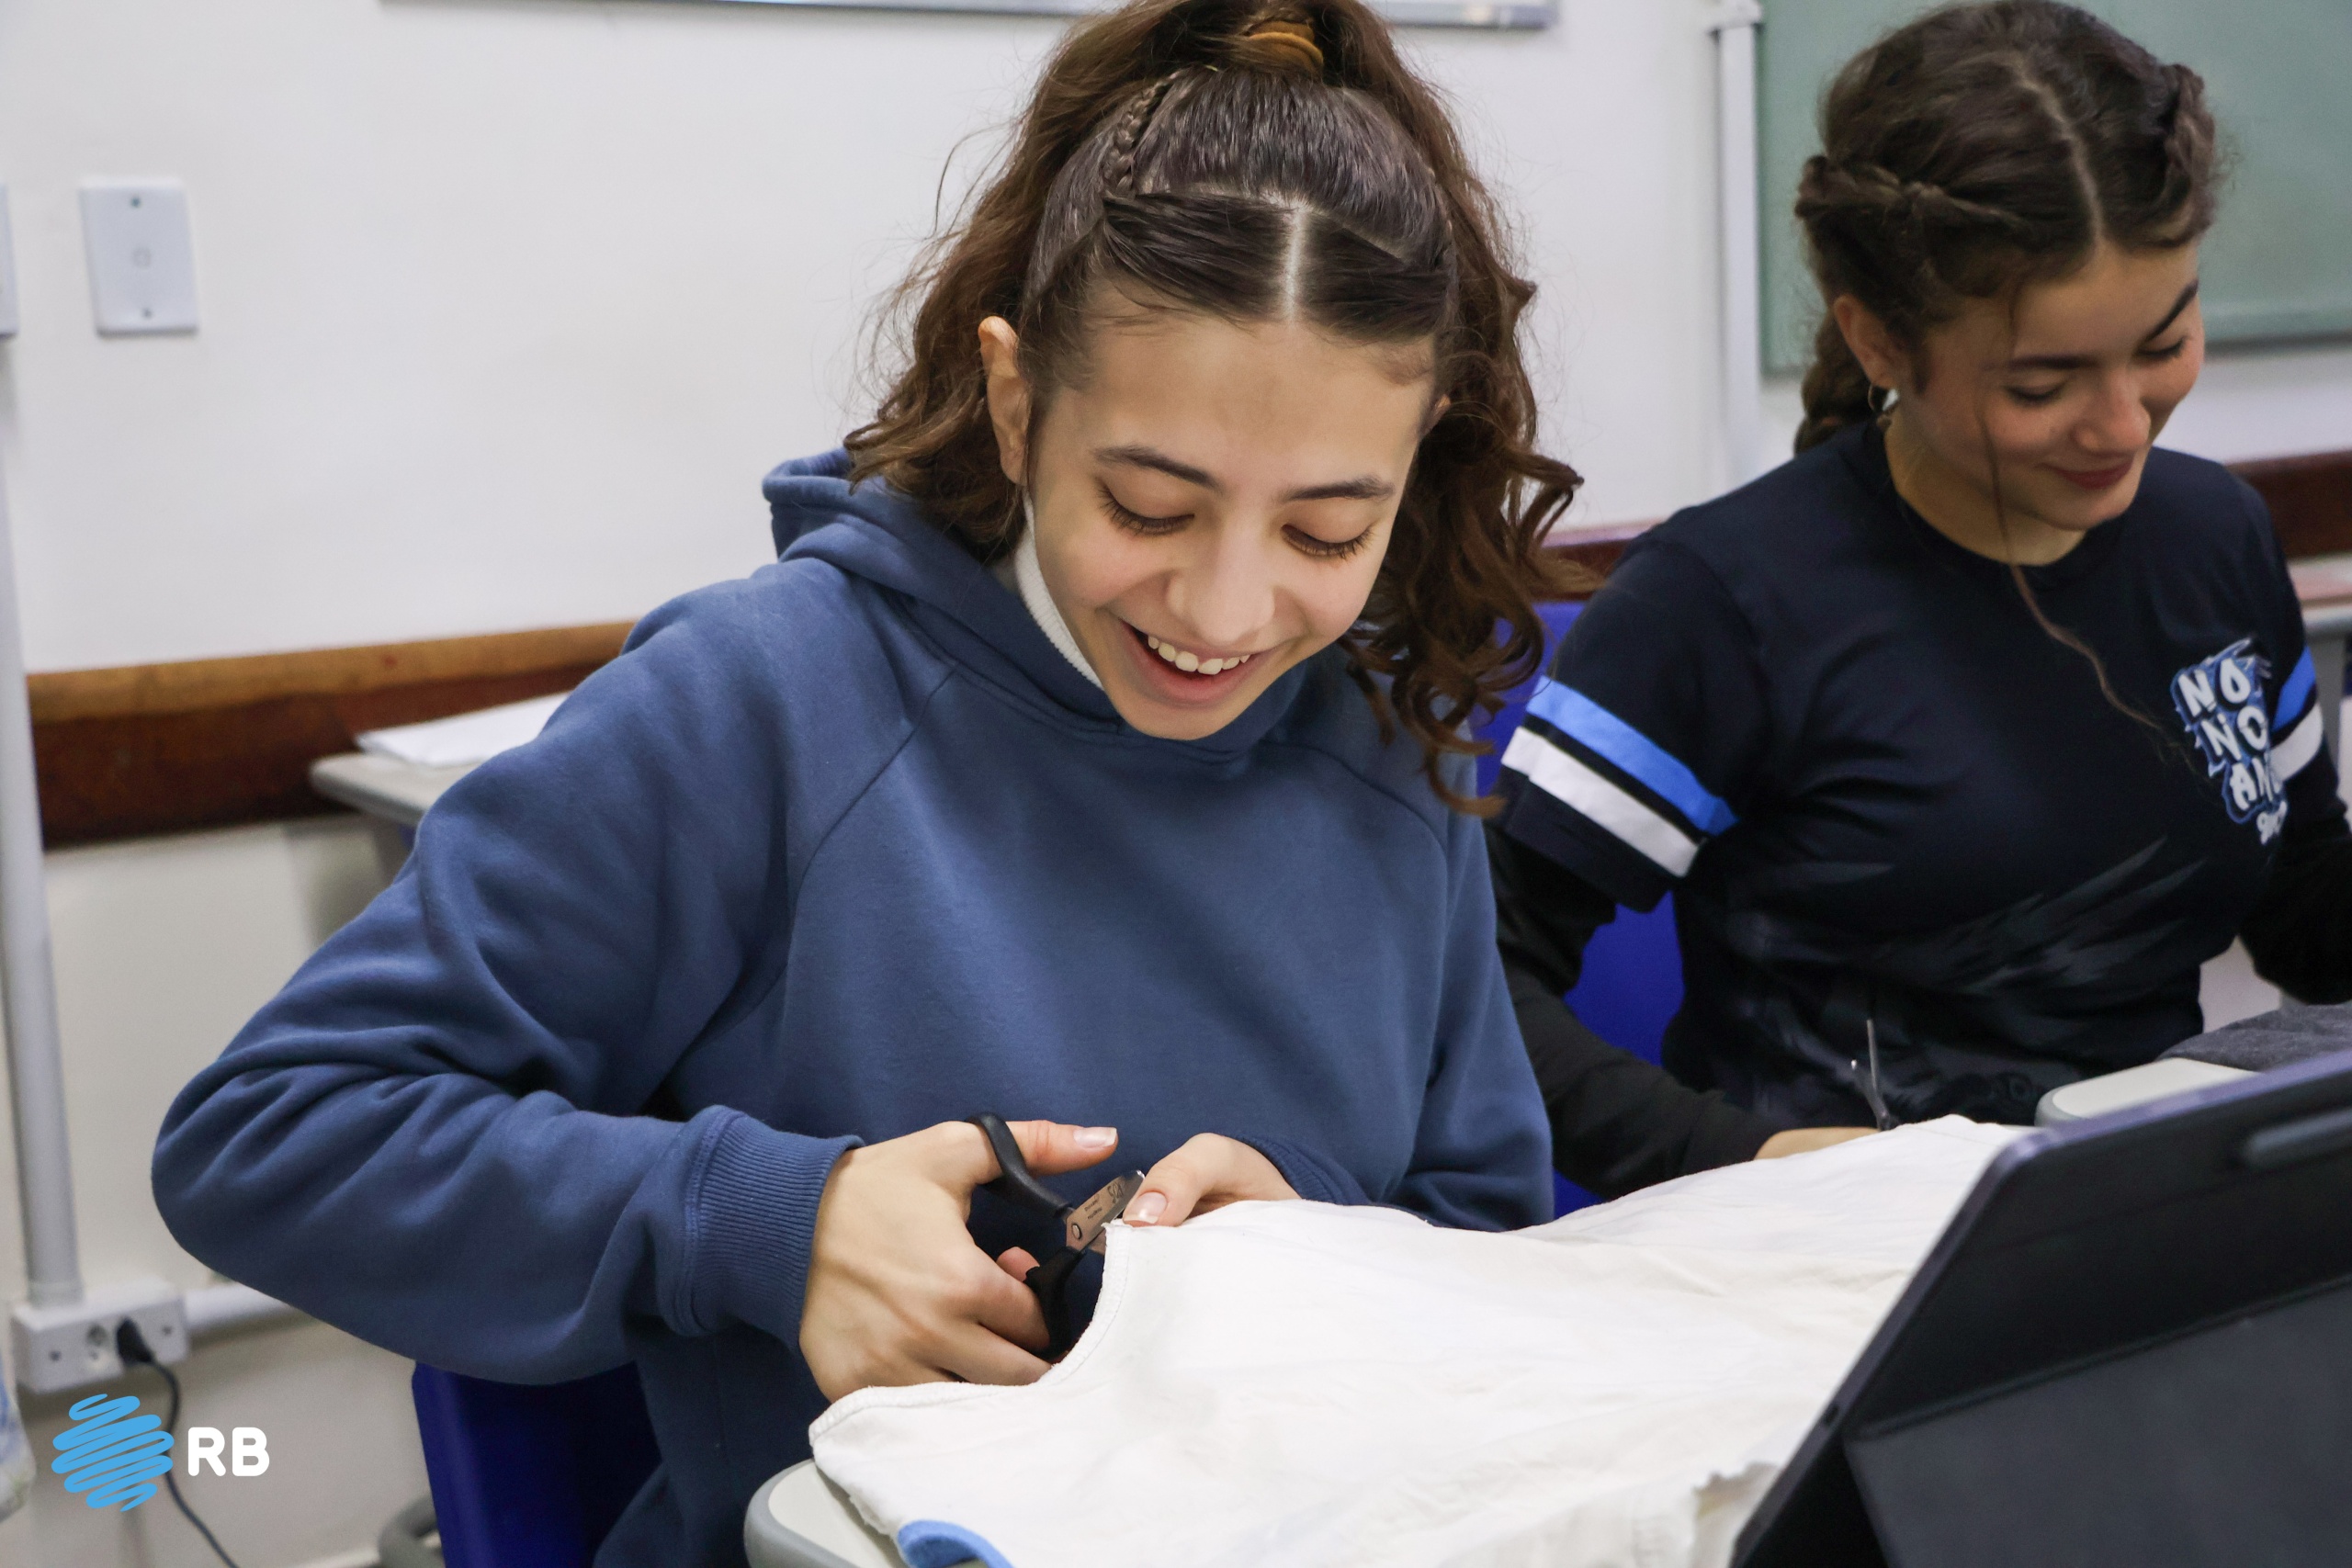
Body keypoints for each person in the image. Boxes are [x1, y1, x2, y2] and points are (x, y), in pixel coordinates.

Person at [152, 2, 1579, 1562]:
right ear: (1017, 404)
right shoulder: (768, 704)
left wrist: (1325, 1258)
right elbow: (273, 1137)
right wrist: (767, 1222)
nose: (1228, 611)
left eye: (1325, 532)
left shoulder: (1386, 742)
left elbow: (1488, 1234)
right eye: (1149, 506)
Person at [1489, 0, 2352, 1199]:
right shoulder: (1721, 607)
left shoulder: (2217, 538)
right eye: (2043, 383)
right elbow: (1468, 988)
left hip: (2151, 1209)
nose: (2122, 426)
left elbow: (2307, 908)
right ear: (1880, 341)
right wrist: (1738, 1160)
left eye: (2162, 345)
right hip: (1840, 1248)